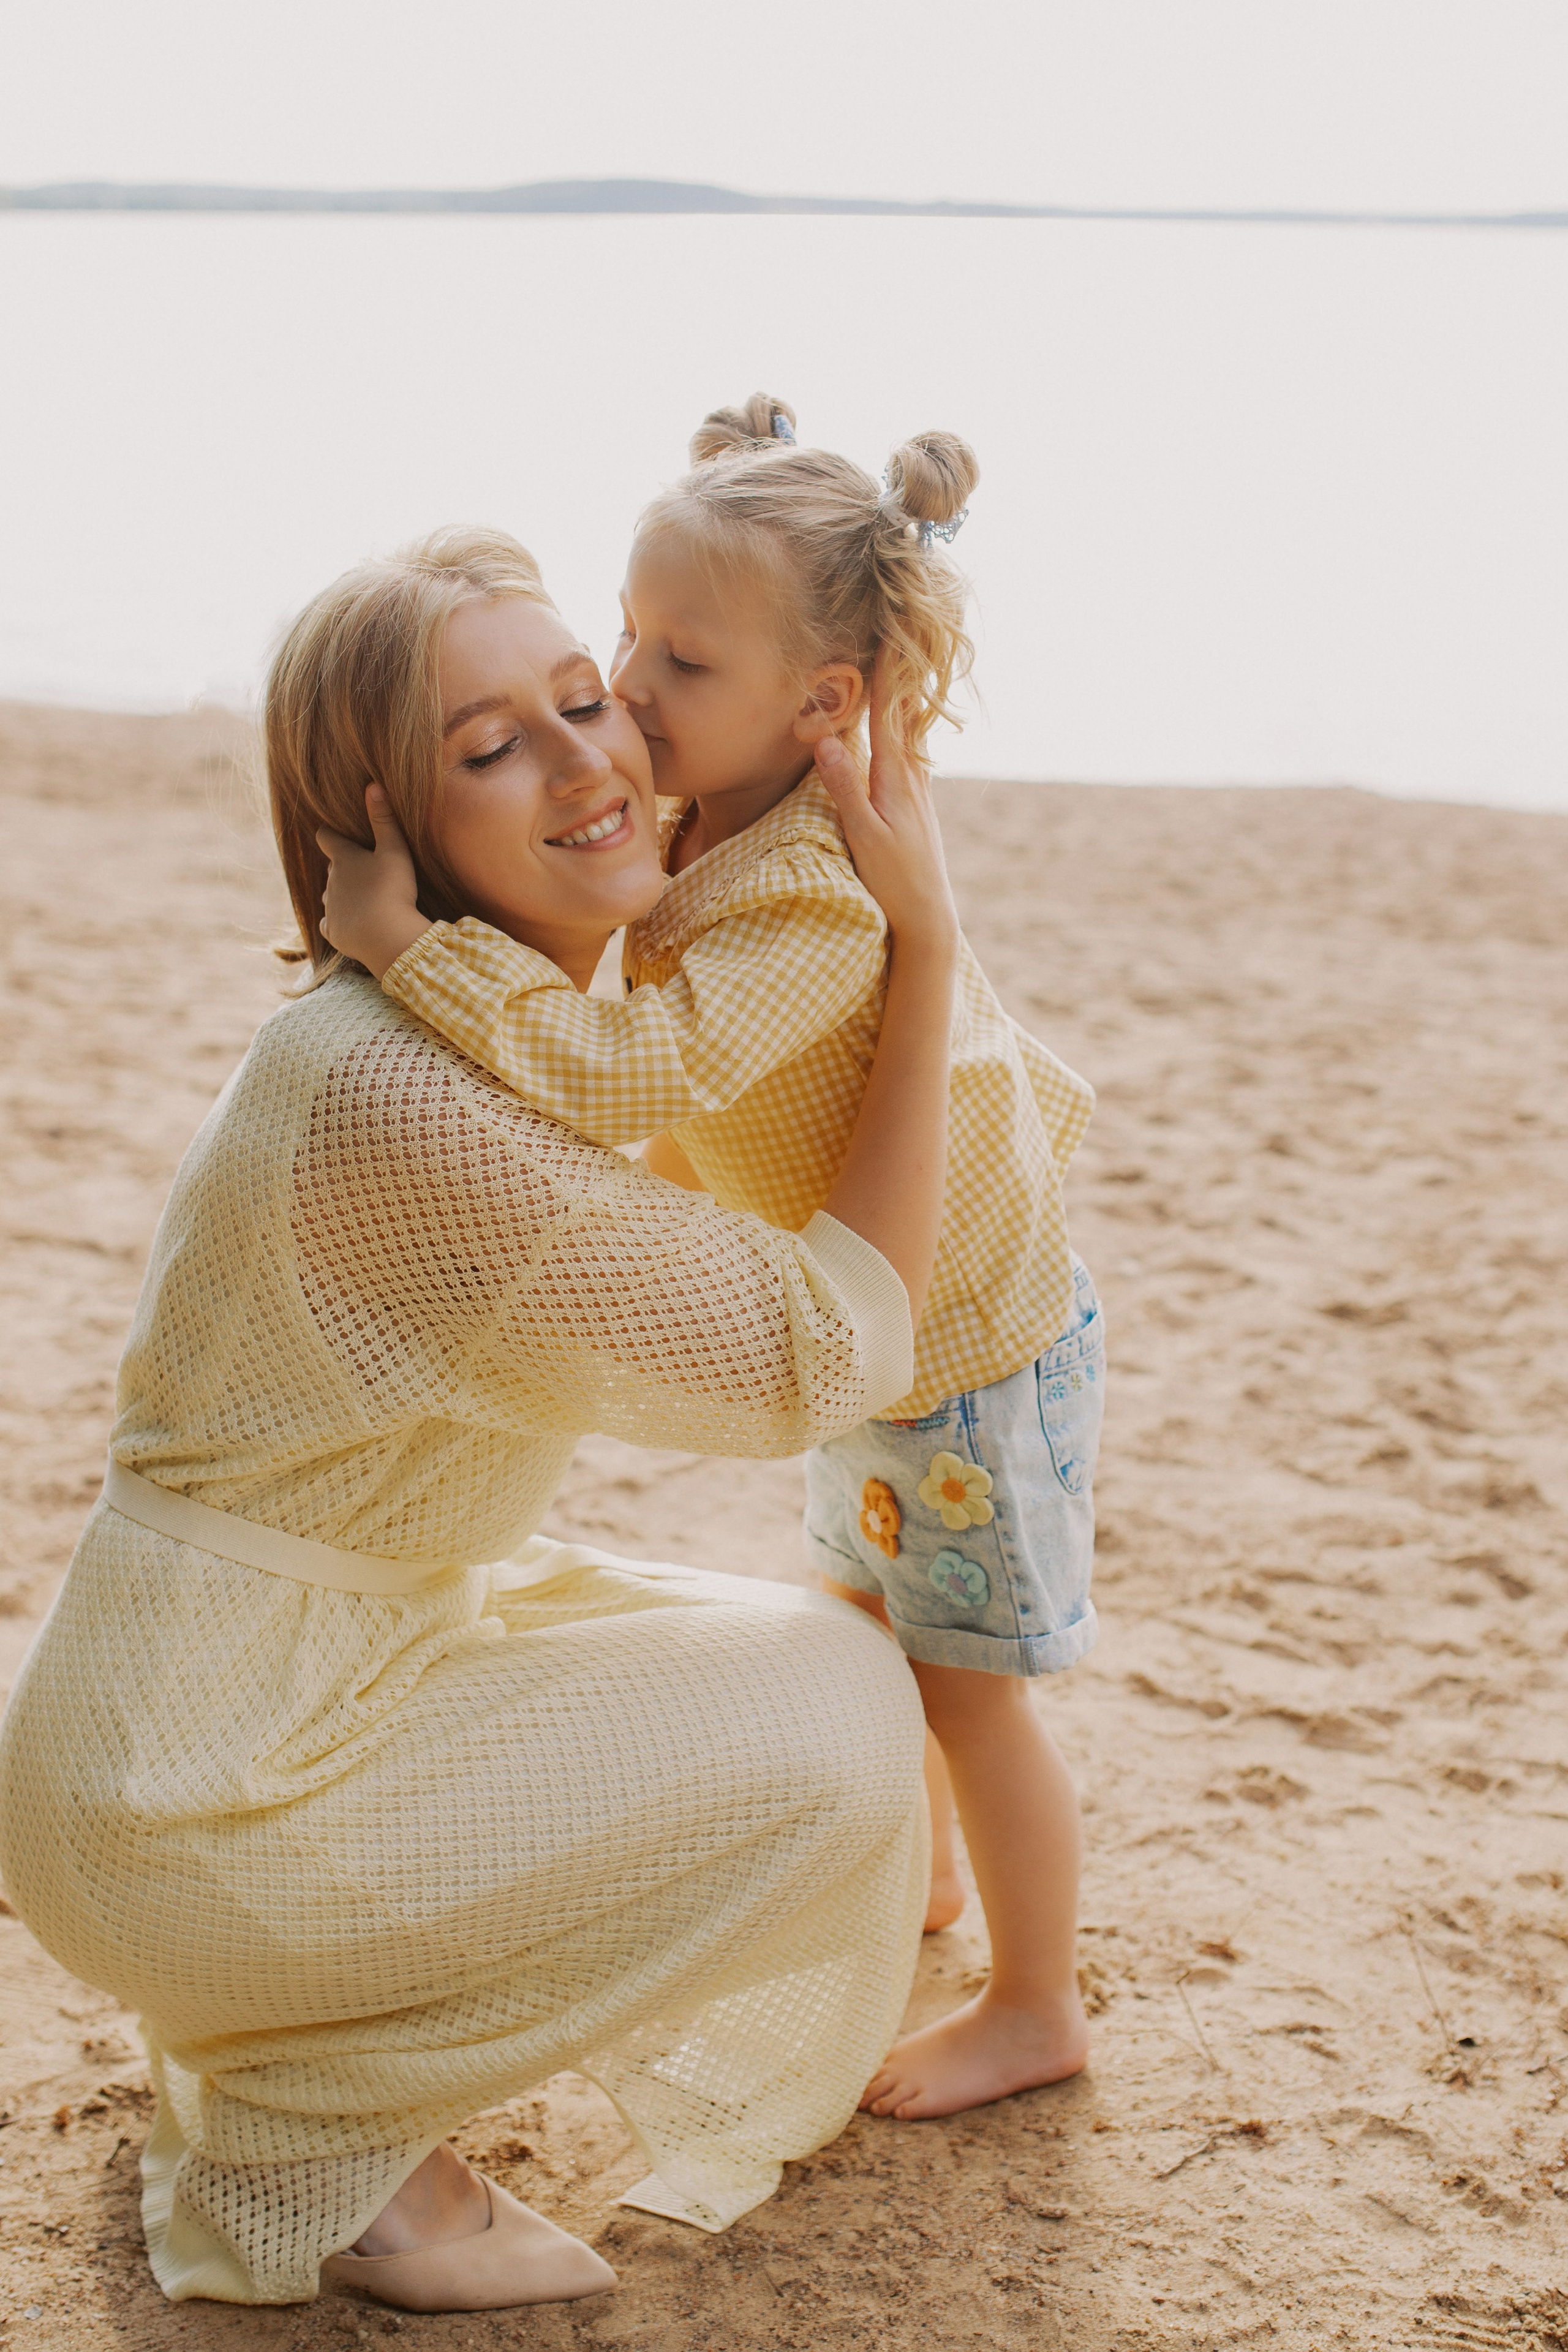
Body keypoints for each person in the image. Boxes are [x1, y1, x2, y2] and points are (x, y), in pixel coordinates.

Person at [0, 525, 962, 2313]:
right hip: (198, 1788)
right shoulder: (398, 1100)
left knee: (773, 1641)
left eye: (584, 700)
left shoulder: (458, 1029)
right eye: (489, 748)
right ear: (379, 825)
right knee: (841, 1717)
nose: (591, 758)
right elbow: (824, 1358)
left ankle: (270, 2032)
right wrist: (926, 945)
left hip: (221, 1702)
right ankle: (319, 2127)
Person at [319, 400, 1104, 2125]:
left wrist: (401, 953)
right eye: (625, 629)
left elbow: (640, 1071)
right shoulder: (723, 809)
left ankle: (1038, 2002)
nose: (626, 682)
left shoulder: (816, 884)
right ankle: (925, 1885)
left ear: (821, 705)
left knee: (970, 1689)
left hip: (965, 1339)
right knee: (865, 1619)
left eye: (677, 656)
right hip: (878, 1323)